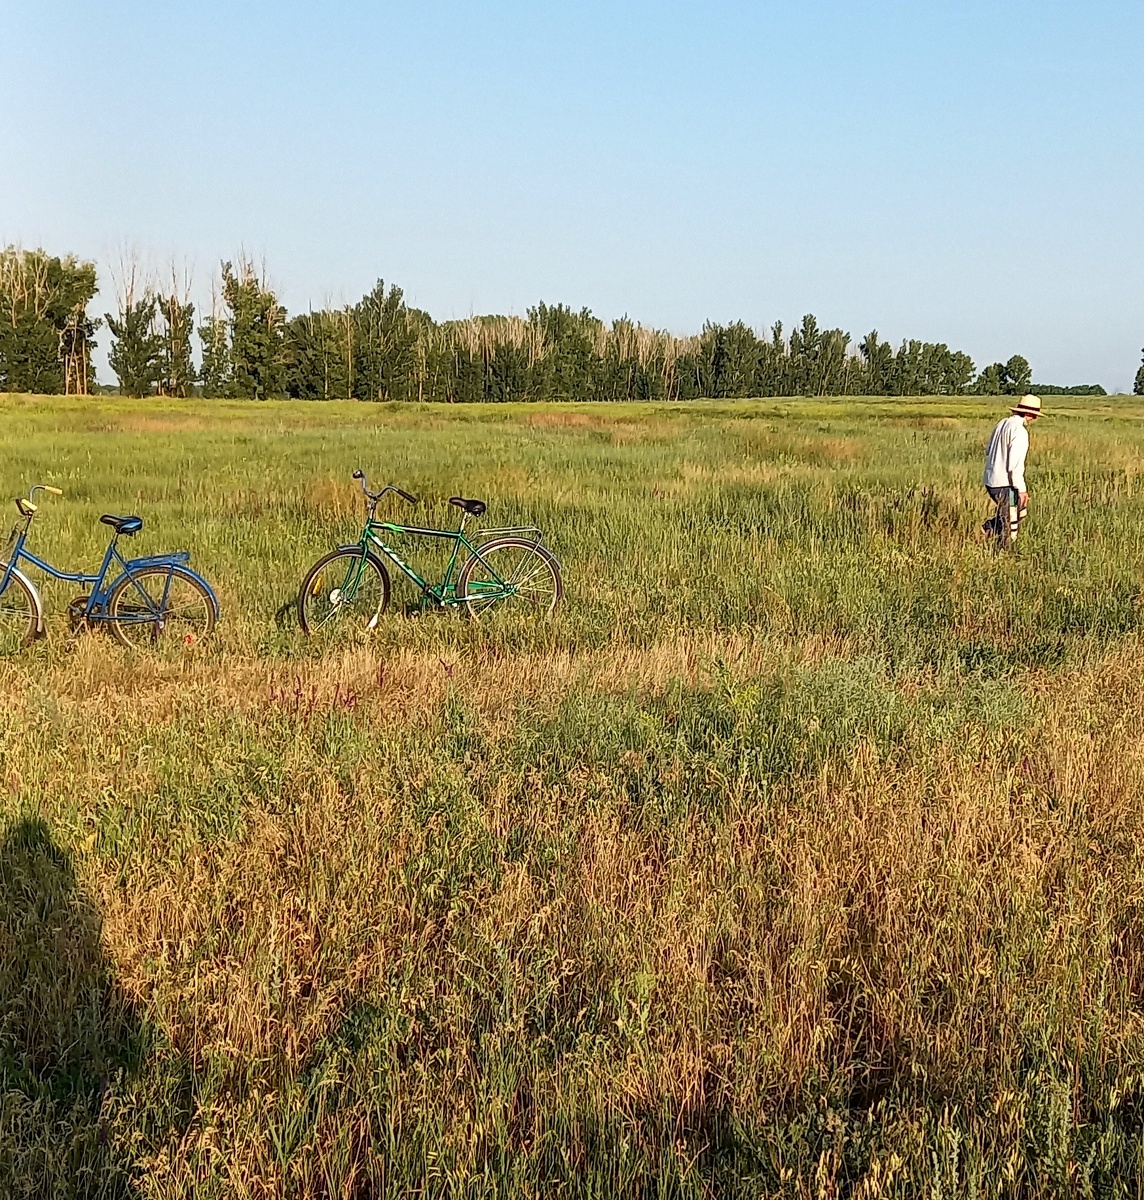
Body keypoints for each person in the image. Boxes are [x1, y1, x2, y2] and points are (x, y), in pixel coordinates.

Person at [982, 394, 1041, 548]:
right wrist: (1021, 490)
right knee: (1010, 528)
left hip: (990, 481)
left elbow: (988, 450)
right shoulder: (1020, 432)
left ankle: (987, 530)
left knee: (1016, 513)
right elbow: (1015, 466)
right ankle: (1003, 553)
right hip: (1005, 484)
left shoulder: (1002, 423)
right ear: (1031, 414)